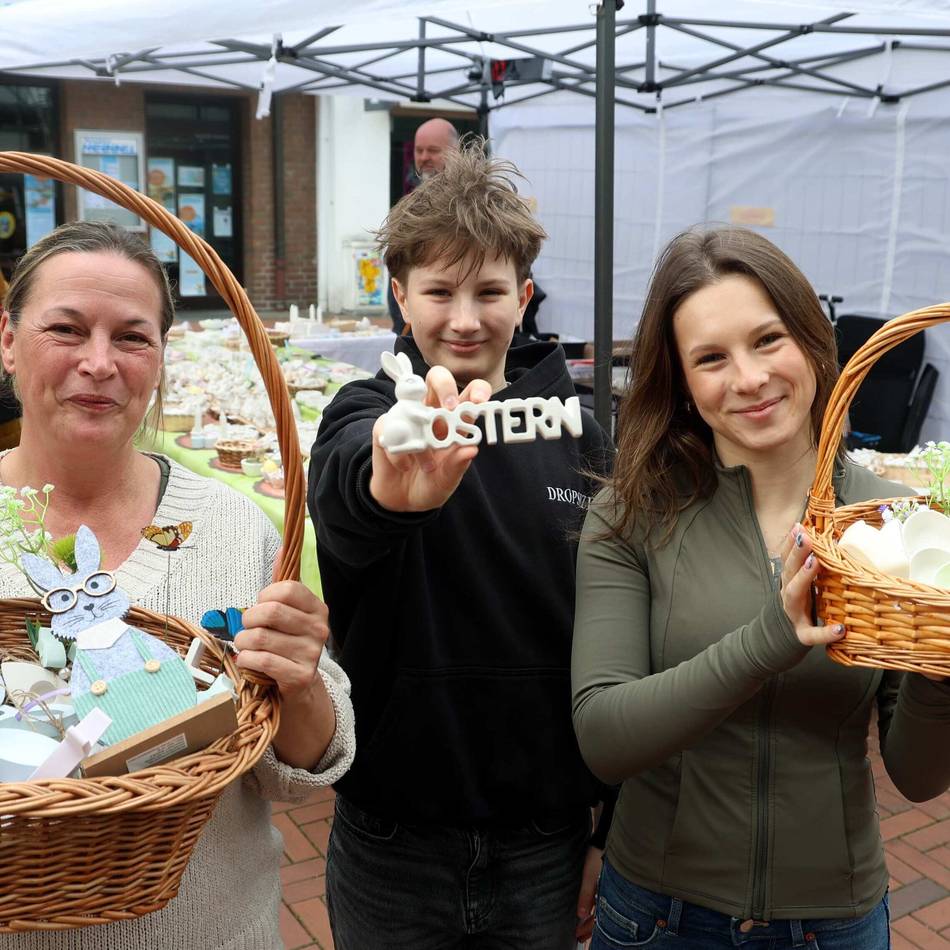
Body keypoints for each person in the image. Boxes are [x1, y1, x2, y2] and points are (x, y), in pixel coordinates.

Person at [571, 226, 950, 950]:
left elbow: (918, 776)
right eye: (711, 358)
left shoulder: (888, 522)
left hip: (835, 922)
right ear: (681, 381)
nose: (748, 378)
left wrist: (942, 663)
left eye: (767, 339)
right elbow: (604, 736)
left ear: (810, 340)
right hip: (659, 918)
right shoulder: (632, 514)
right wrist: (770, 640)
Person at [0, 220, 355, 950]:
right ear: (7, 339)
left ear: (163, 356)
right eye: (66, 328)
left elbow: (296, 776)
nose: (99, 363)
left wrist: (302, 685)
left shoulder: (230, 526)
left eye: (132, 337)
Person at [310, 143, 613, 949]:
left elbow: (625, 635)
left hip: (547, 836)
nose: (466, 318)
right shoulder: (363, 411)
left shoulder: (584, 433)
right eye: (440, 291)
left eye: (490, 291)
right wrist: (388, 490)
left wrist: (605, 832)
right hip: (391, 836)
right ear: (401, 298)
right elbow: (344, 494)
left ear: (526, 295)